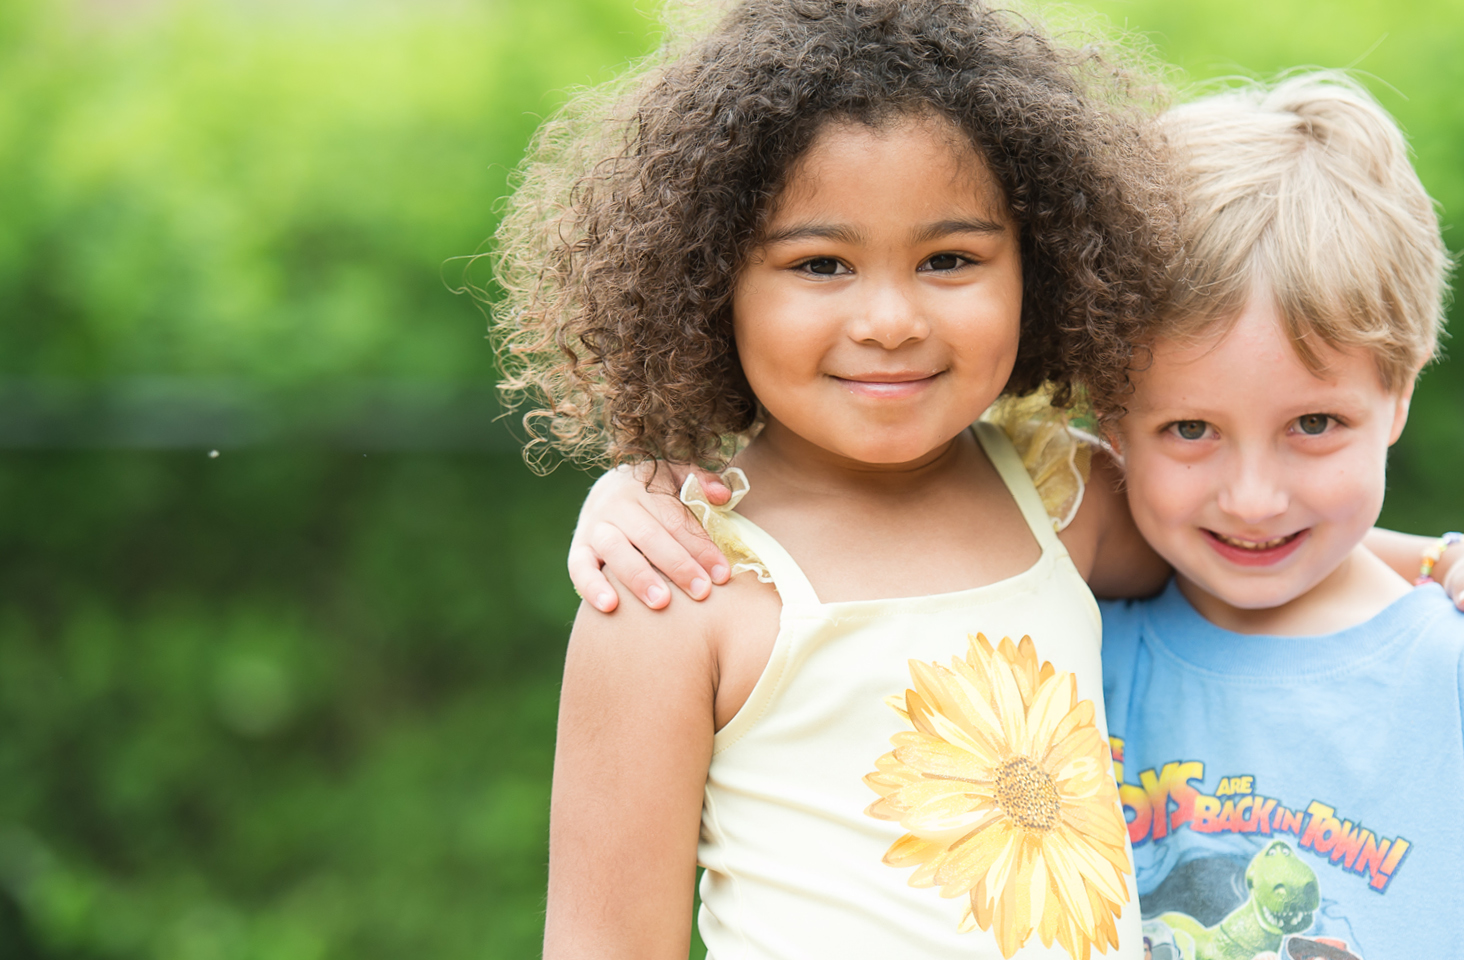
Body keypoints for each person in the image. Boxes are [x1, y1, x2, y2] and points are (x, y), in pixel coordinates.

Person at [498, 2, 1183, 956]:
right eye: (821, 264)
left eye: (951, 259)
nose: (891, 319)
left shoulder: (1061, 493)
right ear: (707, 282)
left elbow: (1254, 540)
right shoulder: (676, 586)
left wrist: (1439, 569)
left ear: (1046, 263)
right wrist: (623, 486)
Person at [1098, 74, 1464, 958]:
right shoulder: (1066, 647)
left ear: (1399, 391)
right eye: (1190, 429)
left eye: (1313, 425)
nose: (1253, 497)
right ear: (1107, 417)